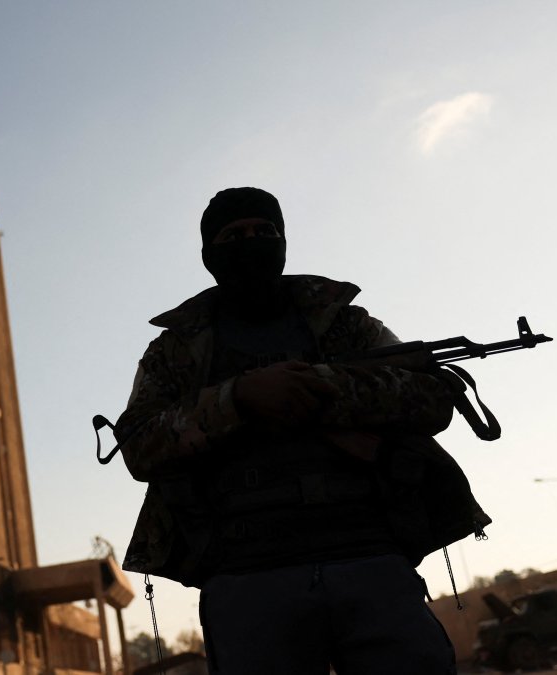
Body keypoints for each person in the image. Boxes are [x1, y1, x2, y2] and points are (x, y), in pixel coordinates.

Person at [114, 187, 474, 674]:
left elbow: (430, 399)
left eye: (265, 230)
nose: (252, 242)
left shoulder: (342, 321)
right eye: (234, 235)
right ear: (209, 255)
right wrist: (239, 398)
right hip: (246, 574)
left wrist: (323, 389)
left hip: (367, 553)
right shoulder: (176, 349)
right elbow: (138, 444)